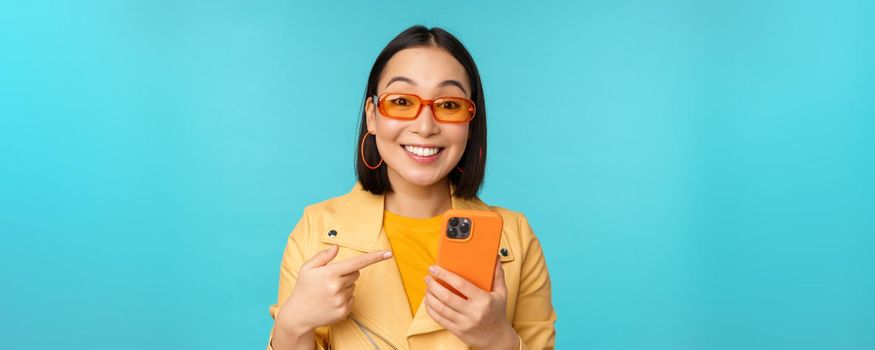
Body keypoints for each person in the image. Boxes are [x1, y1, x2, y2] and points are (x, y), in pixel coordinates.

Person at [267, 25, 557, 350]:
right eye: (402, 101)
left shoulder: (516, 237)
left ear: (470, 123)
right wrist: (293, 324)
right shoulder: (315, 229)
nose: (425, 126)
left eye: (449, 105)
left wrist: (498, 340)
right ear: (372, 117)